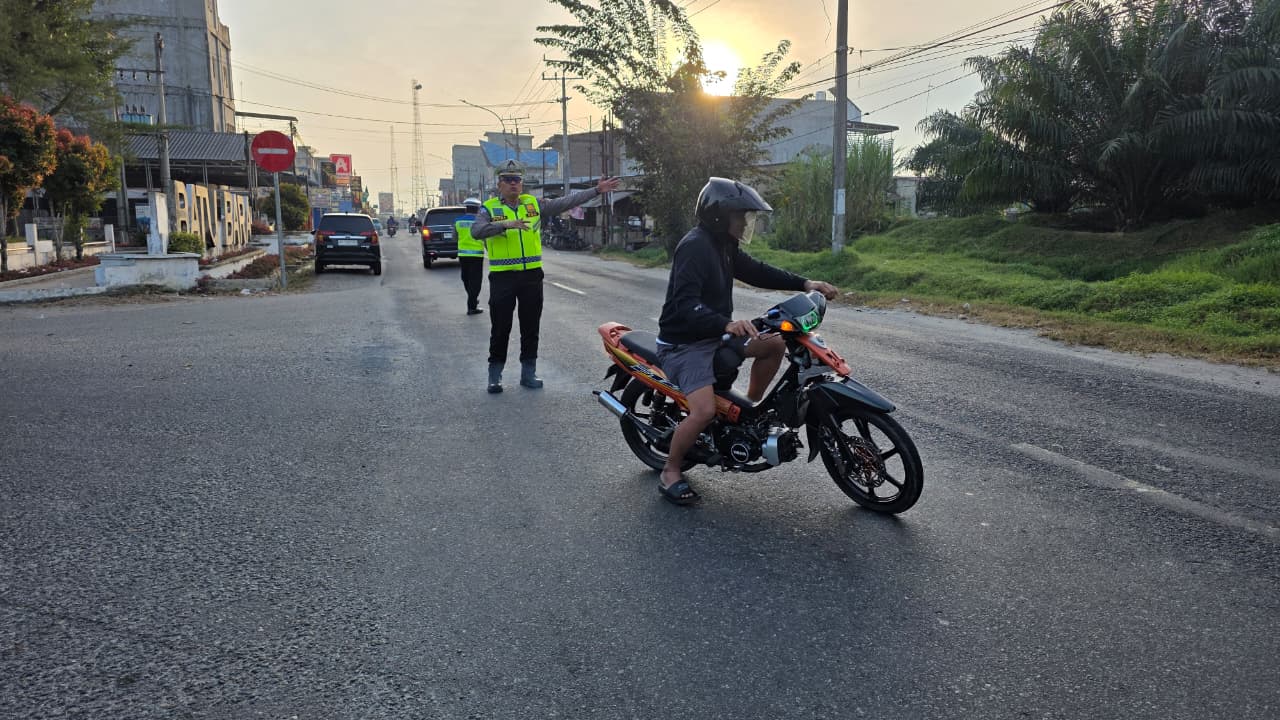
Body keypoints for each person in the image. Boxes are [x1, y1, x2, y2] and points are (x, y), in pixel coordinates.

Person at [654, 177, 839, 505]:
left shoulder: (724, 245)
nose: (745, 223)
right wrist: (726, 322)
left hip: (715, 333)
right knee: (703, 411)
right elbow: (683, 304)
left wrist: (806, 283)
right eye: (741, 216)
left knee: (774, 343)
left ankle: (744, 412)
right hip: (684, 344)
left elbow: (757, 271)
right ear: (719, 216)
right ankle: (670, 471)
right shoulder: (695, 246)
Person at [470, 159, 621, 393]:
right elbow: (476, 231)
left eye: (517, 180)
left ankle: (528, 373)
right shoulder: (488, 208)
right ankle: (495, 375)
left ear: (522, 184)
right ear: (499, 184)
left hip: (531, 277)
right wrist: (505, 225)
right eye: (508, 180)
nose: (513, 184)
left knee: (531, 327)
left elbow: (565, 202)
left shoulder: (533, 204)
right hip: (503, 278)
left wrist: (597, 190)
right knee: (501, 327)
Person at [455, 197, 485, 315]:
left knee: (466, 278)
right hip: (477, 255)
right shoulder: (480, 221)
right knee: (475, 281)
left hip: (463, 254)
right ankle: (472, 306)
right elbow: (485, 236)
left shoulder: (458, 221)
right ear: (478, 209)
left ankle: (472, 301)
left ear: (466, 208)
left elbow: (454, 237)